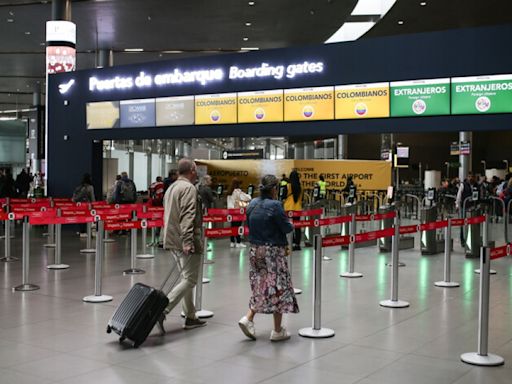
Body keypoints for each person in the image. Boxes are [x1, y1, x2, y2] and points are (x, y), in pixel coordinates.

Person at [238, 174, 299, 342]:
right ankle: (277, 330)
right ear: (274, 189)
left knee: (261, 285)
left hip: (255, 250)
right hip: (273, 252)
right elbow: (286, 228)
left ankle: (248, 318)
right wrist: (291, 223)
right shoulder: (275, 205)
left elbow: (248, 225)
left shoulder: (252, 204)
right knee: (278, 287)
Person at [157, 158, 207, 333]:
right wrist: (187, 241)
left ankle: (190, 316)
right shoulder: (188, 189)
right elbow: (188, 216)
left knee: (186, 278)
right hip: (184, 240)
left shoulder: (172, 188)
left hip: (171, 239)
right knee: (190, 279)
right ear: (192, 170)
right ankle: (162, 310)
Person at [227, 177, 251, 248]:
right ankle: (238, 242)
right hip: (238, 212)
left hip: (230, 211)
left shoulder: (229, 191)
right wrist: (249, 195)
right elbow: (247, 198)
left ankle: (232, 242)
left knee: (232, 226)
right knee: (238, 227)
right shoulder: (238, 191)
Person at [283, 170, 303, 251]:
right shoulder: (300, 186)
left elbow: (283, 196)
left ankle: (288, 242)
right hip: (297, 208)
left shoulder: (288, 186)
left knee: (287, 225)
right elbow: (302, 198)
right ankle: (297, 244)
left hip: (288, 208)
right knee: (297, 227)